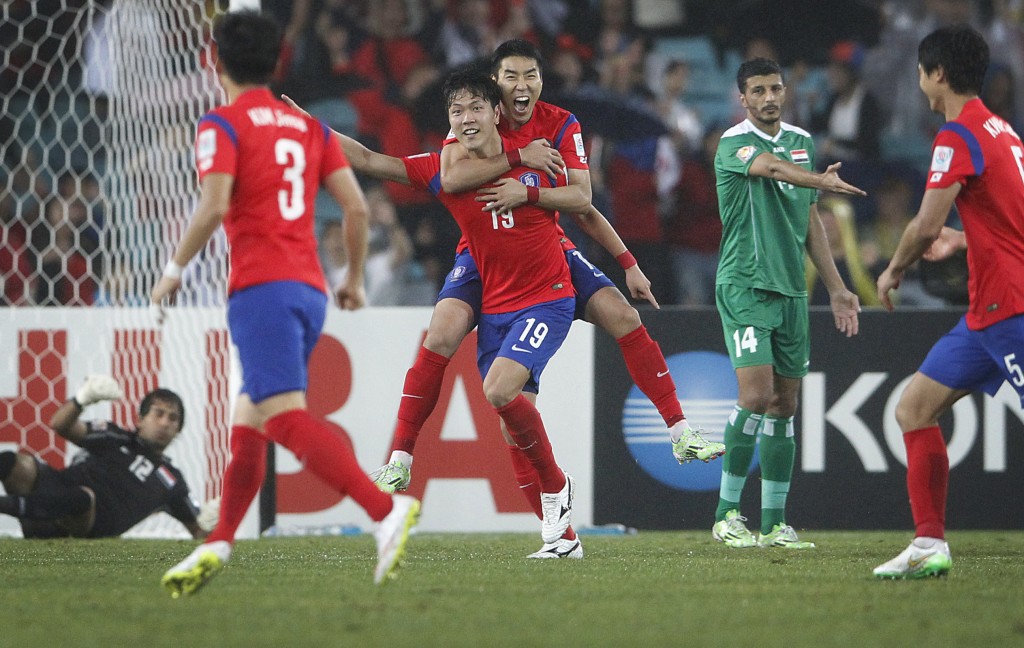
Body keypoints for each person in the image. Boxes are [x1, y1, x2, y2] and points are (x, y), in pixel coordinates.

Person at [370, 40, 723, 512]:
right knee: (442, 335)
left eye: (530, 76)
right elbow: (448, 179)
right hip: (480, 255)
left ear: (540, 80)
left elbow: (582, 199)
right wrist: (517, 163)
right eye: (510, 76)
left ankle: (679, 432)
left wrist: (626, 260)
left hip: (543, 248)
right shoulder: (473, 121)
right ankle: (401, 455)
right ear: (495, 88)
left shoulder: (560, 125)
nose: (522, 86)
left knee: (623, 316)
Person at [150, 11, 419, 597]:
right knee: (247, 422)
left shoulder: (220, 125)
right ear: (276, 63)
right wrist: (351, 280)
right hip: (308, 292)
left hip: (261, 291)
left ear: (214, 61)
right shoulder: (310, 128)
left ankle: (384, 511)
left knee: (283, 418)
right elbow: (355, 208)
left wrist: (174, 269)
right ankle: (220, 539)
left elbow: (215, 205)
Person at [325, 66, 580, 556]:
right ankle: (561, 536)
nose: (466, 118)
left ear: (496, 113)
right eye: (456, 111)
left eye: (476, 108)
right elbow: (368, 159)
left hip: (547, 297)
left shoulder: (538, 160)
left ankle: (556, 486)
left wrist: (625, 262)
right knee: (508, 417)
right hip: (498, 300)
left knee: (497, 389)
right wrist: (311, 130)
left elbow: (583, 203)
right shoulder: (448, 172)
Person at [873, 25, 1024, 579]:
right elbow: (1009, 216)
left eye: (920, 70)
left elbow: (924, 223)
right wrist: (967, 240)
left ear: (937, 73)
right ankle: (929, 544)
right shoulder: (1001, 129)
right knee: (913, 409)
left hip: (1013, 308)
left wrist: (893, 269)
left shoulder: (957, 135)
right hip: (985, 315)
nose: (919, 81)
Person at [711, 57, 865, 550]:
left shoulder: (802, 141)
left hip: (792, 291)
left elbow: (810, 221)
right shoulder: (733, 143)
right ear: (743, 98)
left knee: (785, 405)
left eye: (775, 88)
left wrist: (837, 286)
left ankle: (775, 524)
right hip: (745, 283)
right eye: (758, 90)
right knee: (755, 396)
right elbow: (770, 168)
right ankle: (726, 515)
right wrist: (819, 179)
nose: (769, 97)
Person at [0, 375, 205, 539]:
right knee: (14, 463)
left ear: (178, 429)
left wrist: (216, 521)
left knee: (83, 498)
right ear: (140, 419)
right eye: (158, 414)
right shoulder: (114, 436)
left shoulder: (172, 481)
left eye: (173, 418)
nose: (164, 423)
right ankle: (31, 510)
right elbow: (60, 425)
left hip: (81, 523)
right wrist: (81, 400)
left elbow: (199, 531)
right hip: (53, 492)